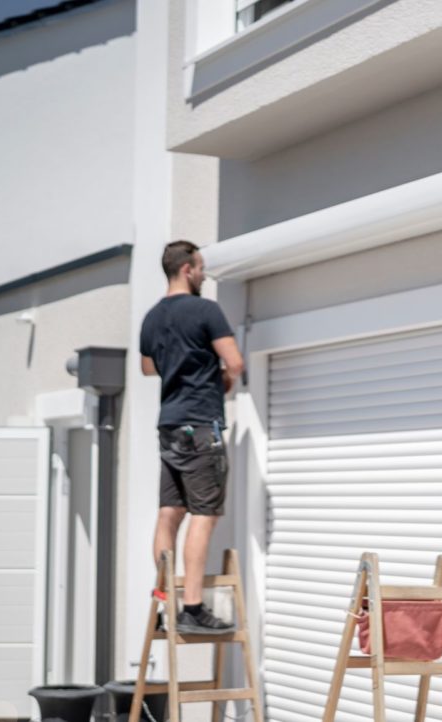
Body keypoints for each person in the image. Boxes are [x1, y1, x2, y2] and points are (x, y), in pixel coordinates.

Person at [140, 240, 244, 634]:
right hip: (200, 425)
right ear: (187, 269)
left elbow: (148, 367)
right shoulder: (205, 310)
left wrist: (180, 364)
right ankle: (193, 608)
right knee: (204, 514)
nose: (202, 274)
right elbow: (234, 361)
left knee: (169, 513)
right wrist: (222, 376)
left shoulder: (152, 317)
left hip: (169, 426)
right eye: (200, 267)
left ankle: (166, 602)